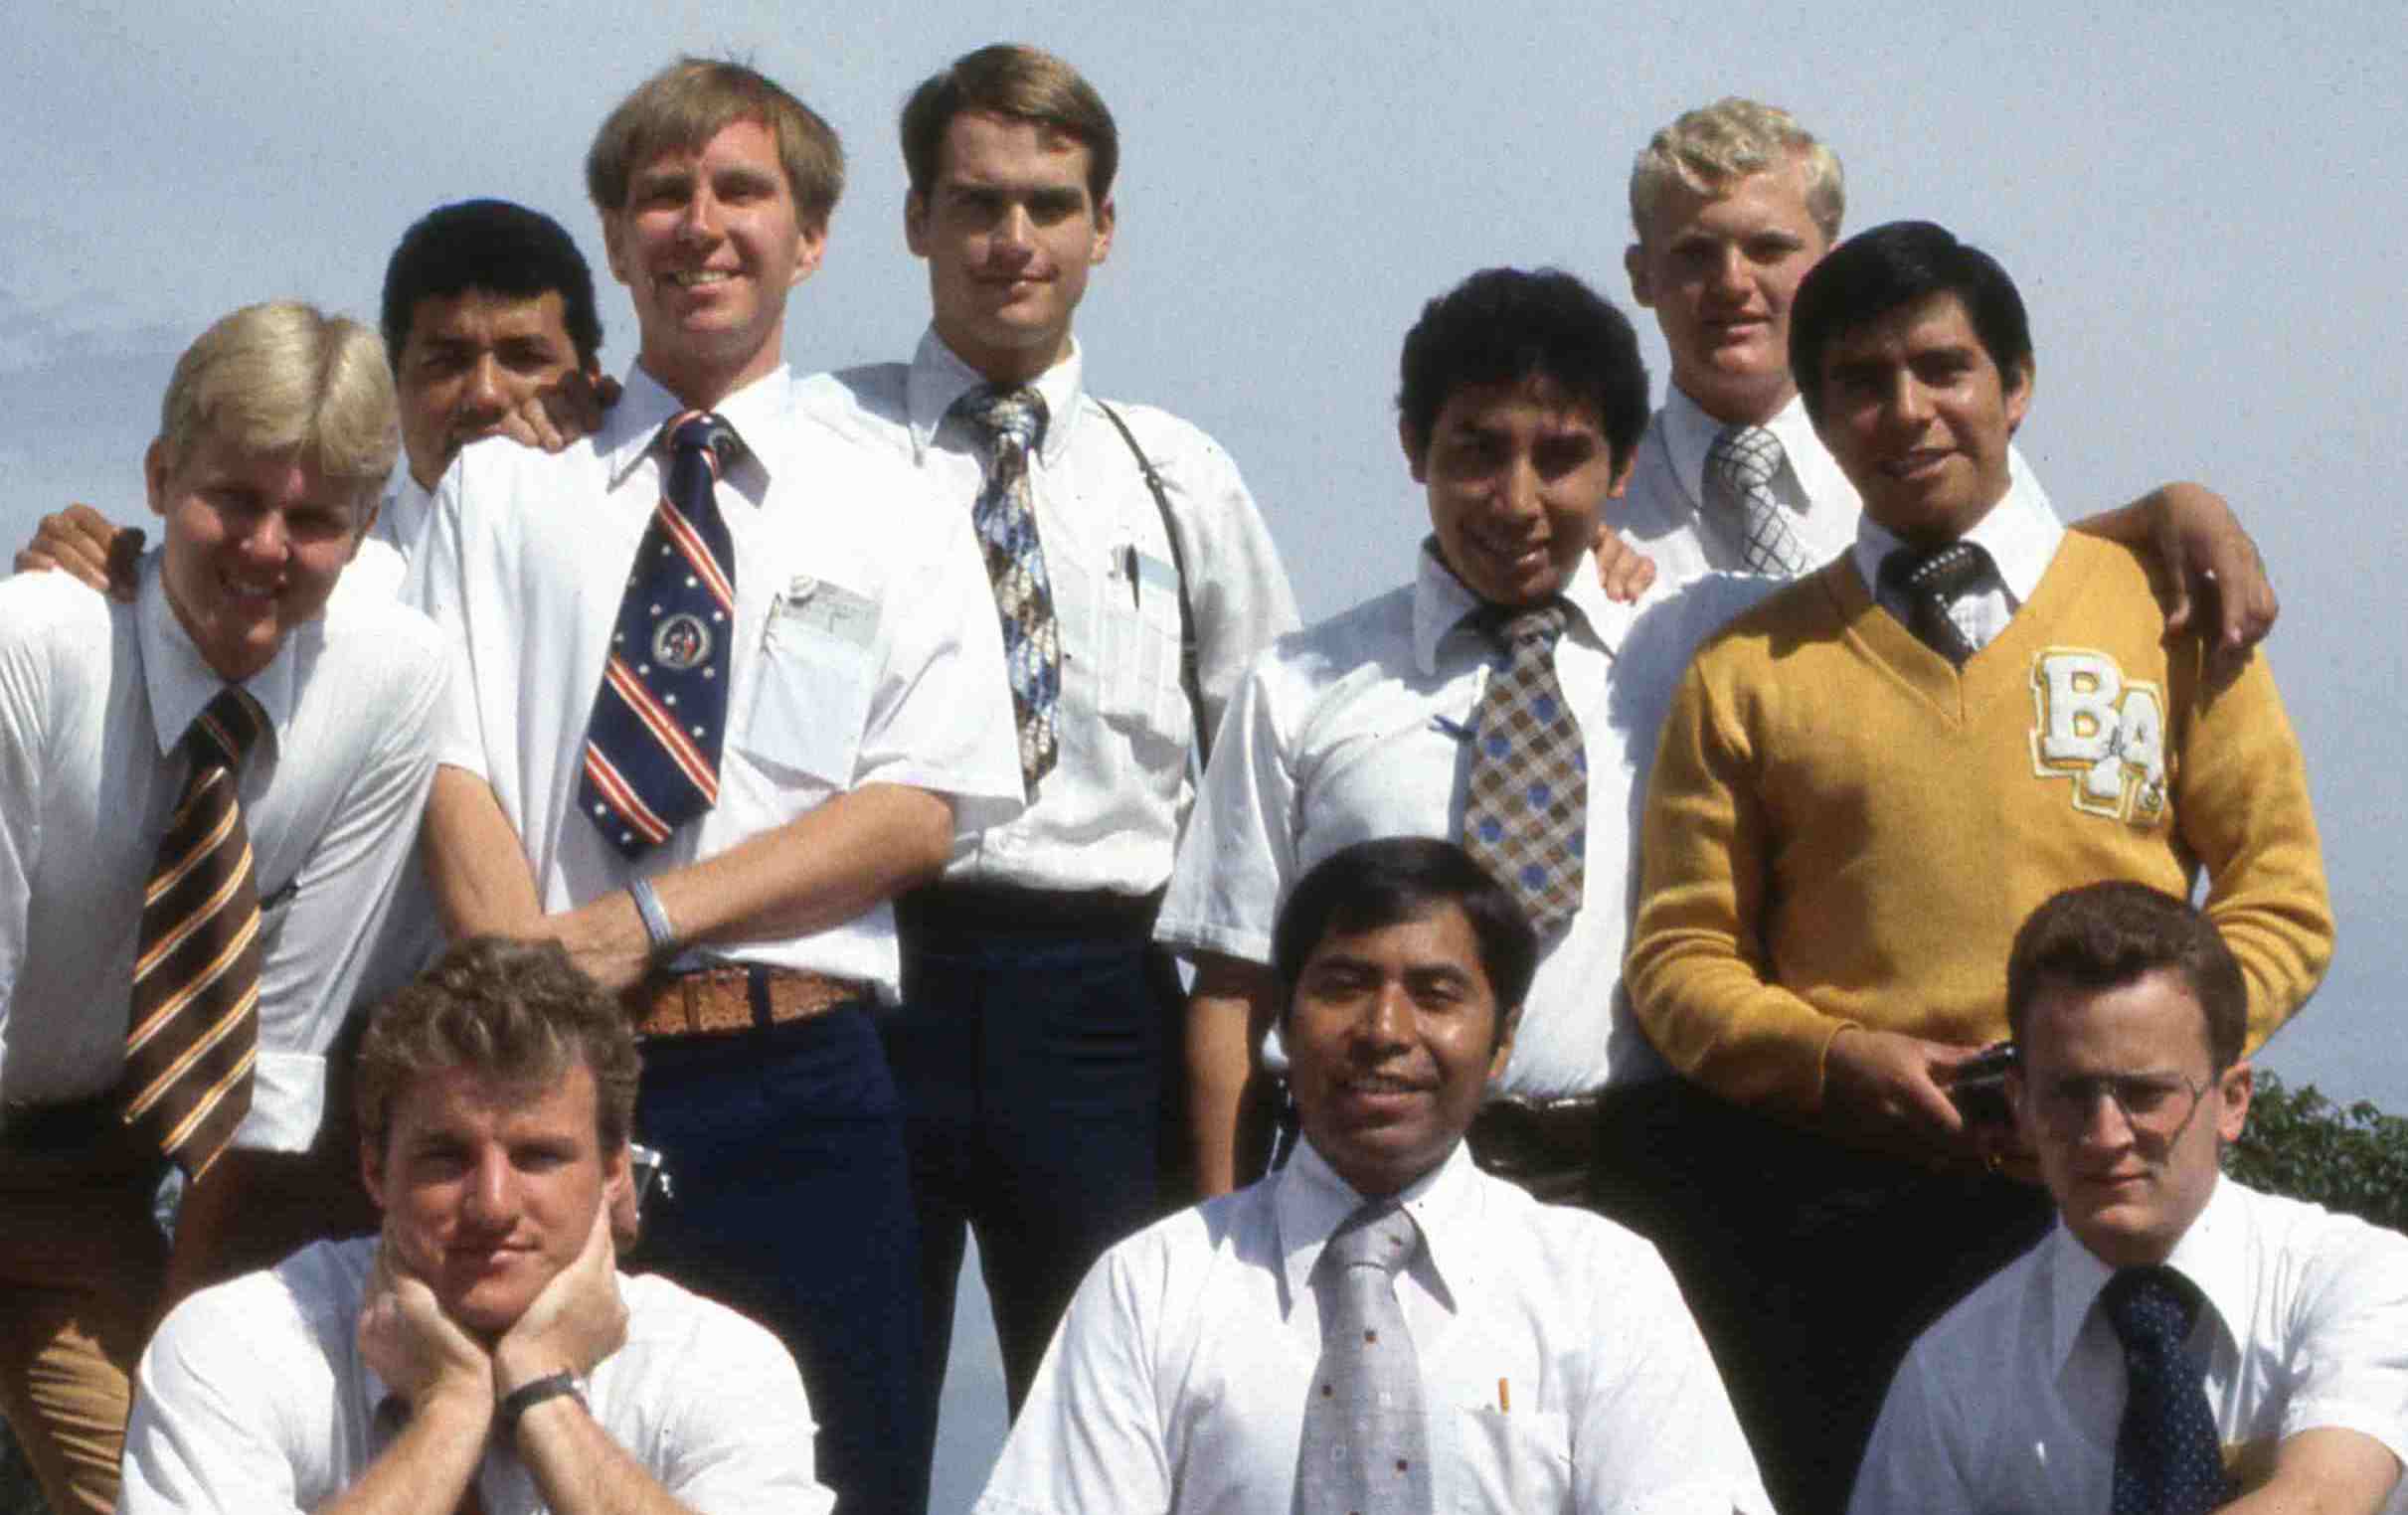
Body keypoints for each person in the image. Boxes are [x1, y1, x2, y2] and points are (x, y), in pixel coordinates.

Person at [1624, 219, 2334, 1514]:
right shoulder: (1747, 670)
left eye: (1943, 368)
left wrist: (2135, 1053)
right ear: (1818, 421)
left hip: (2122, 1181)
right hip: (1843, 1219)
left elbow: (2277, 895)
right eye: (1859, 382)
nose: (1906, 410)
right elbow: (1679, 962)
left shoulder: (2161, 611)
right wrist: (1839, 1059)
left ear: (2015, 387)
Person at [408, 57, 1023, 1515]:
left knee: (840, 1475)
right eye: (661, 195)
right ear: (616, 243)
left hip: (798, 1080)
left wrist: (645, 922)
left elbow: (917, 806)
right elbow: (447, 763)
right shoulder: (502, 492)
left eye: (742, 190)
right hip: (547, 1090)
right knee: (522, 1468)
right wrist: (540, 1014)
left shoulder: (898, 502)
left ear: (809, 237)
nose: (700, 224)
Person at [792, 41, 1298, 1439]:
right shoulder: (812, 442)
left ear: (1101, 229)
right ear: (916, 220)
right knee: (839, 1418)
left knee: (1109, 1422)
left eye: (1050, 205)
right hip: (865, 973)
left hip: (1098, 1003)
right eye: (976, 203)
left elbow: (1266, 772)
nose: (1012, 239)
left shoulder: (1177, 477)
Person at [1159, 265, 1763, 1202]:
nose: (1515, 502)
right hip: (1366, 1174)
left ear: (1622, 466)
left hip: (1639, 1179)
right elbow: (1235, 991)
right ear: (1415, 447)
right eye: (1478, 453)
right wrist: (1221, 1231)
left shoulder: (1701, 648)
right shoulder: (1303, 685)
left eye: (1560, 459)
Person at [0, 300, 445, 1514]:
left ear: (363, 531)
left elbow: (273, 1069)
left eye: (313, 521)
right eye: (232, 500)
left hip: (83, 1183)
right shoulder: (35, 647)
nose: (264, 547)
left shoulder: (390, 682)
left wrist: (178, 1361)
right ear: (158, 477)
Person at [977, 837, 1773, 1514]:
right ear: (1283, 1022)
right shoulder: (1151, 1289)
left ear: (1502, 1041)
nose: (1385, 1030)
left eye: (1436, 994)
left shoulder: (1603, 1288)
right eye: (1344, 986)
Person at [118, 934, 834, 1514]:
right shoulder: (237, 1343)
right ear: (374, 1169)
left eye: (538, 1156)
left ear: (615, 1171)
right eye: (446, 1157)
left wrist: (545, 1397)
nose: (492, 1205)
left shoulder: (718, 1364)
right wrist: (449, 1413)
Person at [1616, 96, 2275, 670]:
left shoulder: (1929, 447)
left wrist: (2162, 513)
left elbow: (2029, 583)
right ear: (1642, 276)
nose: (1732, 283)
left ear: (1829, 264)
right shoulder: (1592, 506)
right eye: (1695, 254)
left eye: (1768, 249)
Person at [1851, 883, 2406, 1515]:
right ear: (2020, 1104)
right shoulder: (1951, 1374)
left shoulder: (2358, 1279)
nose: (2105, 1136)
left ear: (2232, 1101)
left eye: (2144, 1095)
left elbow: (2322, 1499)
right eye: (2069, 1095)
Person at [15, 198, 609, 601]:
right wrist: (80, 582)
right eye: (446, 361)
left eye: (523, 358)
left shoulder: (647, 556)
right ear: (392, 386)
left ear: (590, 379)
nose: (484, 394)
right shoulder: (312, 582)